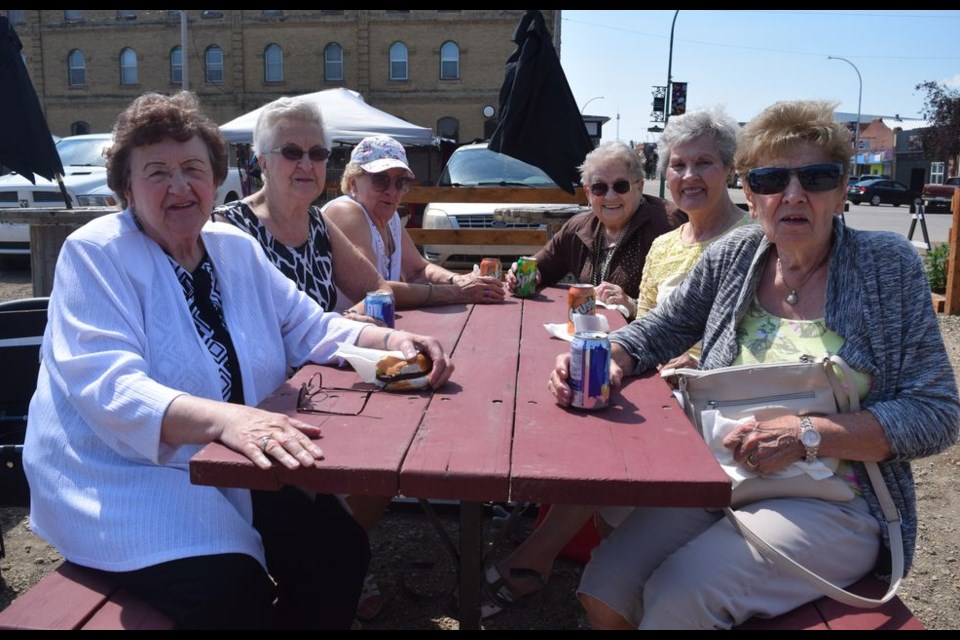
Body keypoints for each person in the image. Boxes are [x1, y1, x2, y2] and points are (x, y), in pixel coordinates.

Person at [21, 91, 453, 630]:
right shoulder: (97, 253)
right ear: (125, 187)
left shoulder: (232, 247)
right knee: (230, 593)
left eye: (192, 169)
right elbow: (109, 386)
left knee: (338, 549)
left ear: (216, 177)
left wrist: (391, 345)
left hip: (233, 455)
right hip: (120, 474)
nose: (179, 187)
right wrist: (232, 419)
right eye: (156, 172)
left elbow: (309, 324)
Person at [545, 99, 960, 629]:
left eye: (815, 176)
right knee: (606, 586)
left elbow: (936, 413)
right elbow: (664, 326)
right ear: (750, 190)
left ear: (841, 190)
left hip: (837, 500)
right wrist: (611, 357)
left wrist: (809, 433)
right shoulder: (736, 255)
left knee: (679, 599)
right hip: (723, 476)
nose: (792, 194)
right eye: (768, 179)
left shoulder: (886, 266)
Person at [482, 108, 751, 618]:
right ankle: (604, 576)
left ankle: (542, 561)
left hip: (708, 402)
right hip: (648, 380)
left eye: (704, 164)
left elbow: (737, 339)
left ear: (731, 171)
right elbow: (650, 326)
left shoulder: (749, 243)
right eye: (679, 164)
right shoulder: (670, 243)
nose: (689, 176)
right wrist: (618, 358)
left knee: (603, 442)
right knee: (577, 405)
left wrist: (659, 355)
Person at [213, 97, 478, 319]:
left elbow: (379, 290)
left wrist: (342, 323)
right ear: (263, 162)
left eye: (318, 154)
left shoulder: (317, 223)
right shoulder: (230, 226)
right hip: (271, 379)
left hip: (322, 366)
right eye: (292, 152)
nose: (306, 164)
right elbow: (245, 327)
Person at [505, 140, 686, 318]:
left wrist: (633, 305)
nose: (610, 196)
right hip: (590, 334)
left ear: (639, 186)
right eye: (599, 188)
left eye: (620, 186)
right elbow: (542, 266)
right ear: (588, 193)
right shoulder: (579, 227)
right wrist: (526, 275)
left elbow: (686, 307)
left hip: (644, 342)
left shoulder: (668, 225)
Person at [322, 135, 505, 303]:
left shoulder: (389, 217)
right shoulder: (347, 212)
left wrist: (456, 279)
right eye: (380, 180)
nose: (392, 191)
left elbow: (417, 271)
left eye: (400, 182)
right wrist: (456, 292)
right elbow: (372, 290)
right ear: (353, 182)